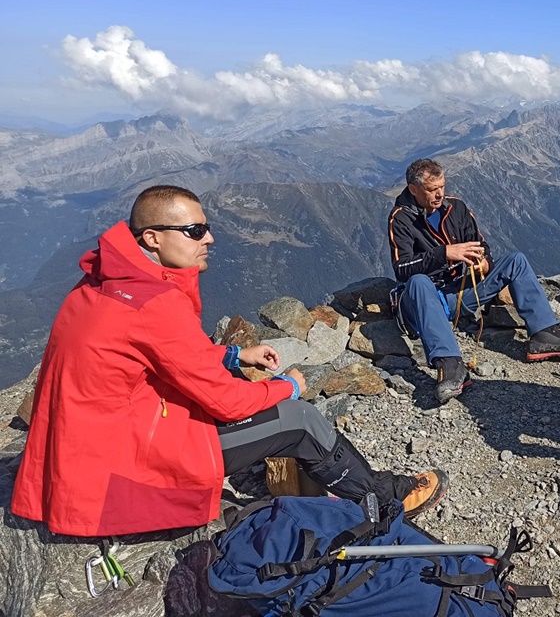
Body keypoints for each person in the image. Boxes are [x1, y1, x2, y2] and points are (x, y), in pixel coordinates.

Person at [11, 185, 446, 538]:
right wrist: (289, 386)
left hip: (93, 443)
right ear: (152, 238)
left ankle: (342, 491)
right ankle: (383, 502)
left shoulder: (105, 281)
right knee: (299, 419)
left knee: (264, 401)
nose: (209, 239)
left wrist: (234, 353)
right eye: (195, 230)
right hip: (127, 459)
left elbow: (158, 356)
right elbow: (226, 403)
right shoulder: (153, 303)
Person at [388, 158, 560, 404]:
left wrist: (483, 263)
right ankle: (451, 365)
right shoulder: (401, 218)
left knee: (516, 260)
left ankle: (543, 334)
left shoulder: (456, 208)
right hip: (423, 299)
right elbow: (402, 269)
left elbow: (481, 245)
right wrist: (445, 253)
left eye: (442, 186)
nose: (439, 194)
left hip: (457, 292)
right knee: (418, 281)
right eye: (432, 190)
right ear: (413, 189)